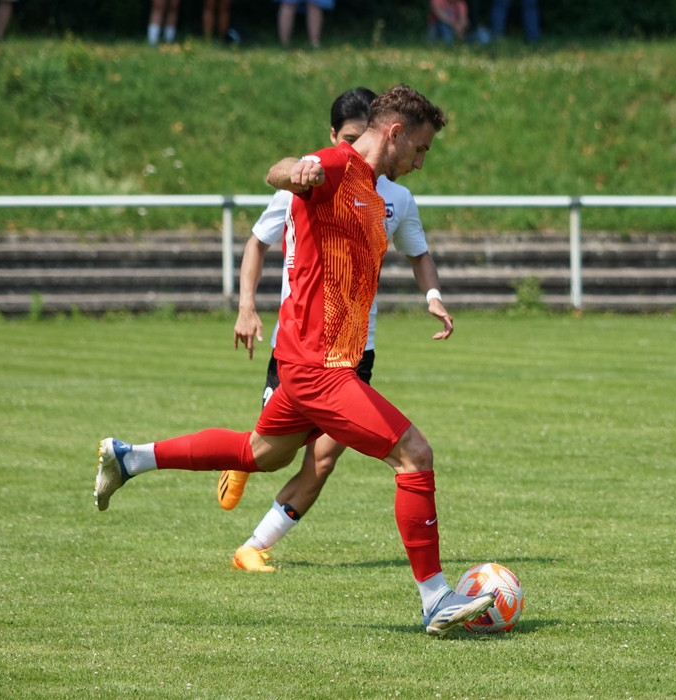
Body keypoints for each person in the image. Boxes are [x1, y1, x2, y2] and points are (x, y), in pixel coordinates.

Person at [94, 84, 495, 636]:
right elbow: (278, 171)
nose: (421, 163)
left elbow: (406, 251)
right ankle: (435, 598)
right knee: (414, 454)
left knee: (258, 453)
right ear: (396, 133)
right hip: (319, 367)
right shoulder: (335, 166)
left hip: (313, 363)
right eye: (420, 149)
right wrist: (295, 172)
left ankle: (128, 458)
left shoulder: (376, 190)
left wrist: (431, 295)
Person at [224, 86, 453, 574]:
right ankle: (238, 459)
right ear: (335, 137)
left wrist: (433, 296)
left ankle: (253, 546)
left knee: (322, 460)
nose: (353, 147)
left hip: (355, 353)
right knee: (269, 453)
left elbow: (419, 254)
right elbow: (260, 231)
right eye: (346, 138)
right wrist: (246, 307)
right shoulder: (318, 176)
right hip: (302, 346)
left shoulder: (394, 197)